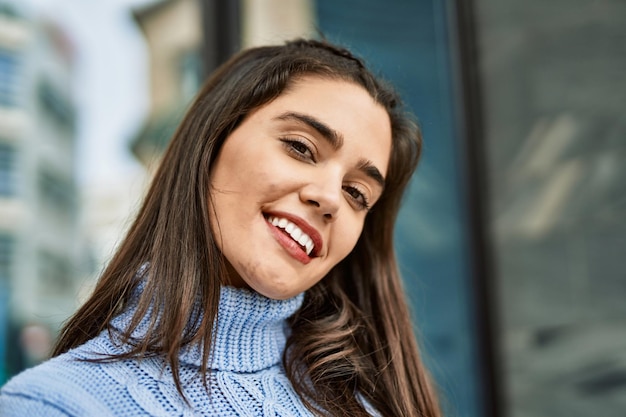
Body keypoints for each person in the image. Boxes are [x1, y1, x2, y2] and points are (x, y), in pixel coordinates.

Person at [0, 39, 441, 417]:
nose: (329, 198)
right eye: (301, 147)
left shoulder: (366, 403)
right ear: (212, 142)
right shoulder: (53, 405)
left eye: (357, 194)